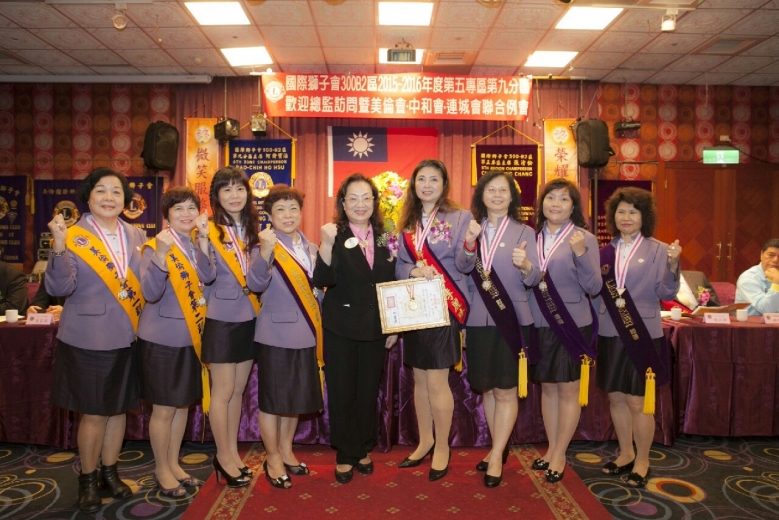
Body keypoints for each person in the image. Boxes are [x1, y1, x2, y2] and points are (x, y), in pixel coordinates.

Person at [45, 167, 146, 513]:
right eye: (101, 190)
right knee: (93, 413)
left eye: (116, 191)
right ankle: (87, 479)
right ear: (88, 197)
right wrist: (59, 245)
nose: (109, 197)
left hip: (128, 335)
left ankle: (110, 472)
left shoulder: (137, 235)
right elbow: (60, 287)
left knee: (118, 409)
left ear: (125, 200)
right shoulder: (73, 235)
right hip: (88, 337)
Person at [395, 159, 478, 482]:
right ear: (413, 184)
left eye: (434, 179)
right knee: (418, 379)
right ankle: (425, 441)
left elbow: (465, 265)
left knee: (436, 381)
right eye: (421, 179)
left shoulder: (460, 217)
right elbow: (398, 265)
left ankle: (442, 445)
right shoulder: (406, 220)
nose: (427, 185)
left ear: (444, 185)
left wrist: (469, 244)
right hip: (416, 307)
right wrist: (414, 269)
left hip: (446, 306)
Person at [314, 173, 398, 484]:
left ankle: (363, 447)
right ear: (343, 203)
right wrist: (325, 244)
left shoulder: (386, 236)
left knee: (367, 391)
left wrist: (394, 326)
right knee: (342, 391)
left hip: (376, 327)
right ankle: (346, 452)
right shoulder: (334, 234)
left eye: (366, 198)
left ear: (375, 202)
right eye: (353, 198)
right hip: (341, 327)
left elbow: (392, 281)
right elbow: (323, 279)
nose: (360, 204)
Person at [596, 187, 681, 489]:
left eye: (633, 211)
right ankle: (626, 453)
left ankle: (643, 460)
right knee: (616, 397)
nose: (627, 217)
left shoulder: (659, 250)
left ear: (645, 216)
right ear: (613, 216)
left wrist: (673, 265)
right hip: (609, 332)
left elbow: (666, 292)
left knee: (638, 400)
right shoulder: (604, 252)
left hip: (642, 333)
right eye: (621, 211)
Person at [465, 171, 541, 488]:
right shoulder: (472, 228)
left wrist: (526, 265)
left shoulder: (525, 232)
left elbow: (535, 278)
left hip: (513, 319)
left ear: (512, 197)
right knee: (488, 388)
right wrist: (469, 244)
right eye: (491, 190)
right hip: (478, 319)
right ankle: (498, 447)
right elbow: (462, 267)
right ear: (482, 195)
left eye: (503, 190)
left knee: (506, 389)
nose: (497, 195)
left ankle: (496, 455)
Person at [248, 184, 324, 490]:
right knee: (272, 401)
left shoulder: (312, 248)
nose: (288, 215)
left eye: (293, 208)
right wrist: (265, 252)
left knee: (294, 399)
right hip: (275, 334)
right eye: (280, 209)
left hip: (308, 333)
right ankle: (273, 458)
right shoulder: (262, 247)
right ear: (269, 215)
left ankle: (287, 450)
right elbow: (255, 284)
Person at [137, 186, 211, 497]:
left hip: (192, 338)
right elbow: (151, 293)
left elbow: (209, 277)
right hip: (162, 339)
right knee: (164, 409)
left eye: (191, 208)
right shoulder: (153, 247)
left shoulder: (196, 244)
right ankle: (161, 469)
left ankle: (173, 463)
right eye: (178, 208)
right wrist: (161, 256)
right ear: (166, 215)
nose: (186, 214)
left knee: (182, 406)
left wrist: (205, 240)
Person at [528, 178, 602, 484]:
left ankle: (559, 453)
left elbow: (594, 286)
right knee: (548, 388)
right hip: (539, 322)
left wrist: (581, 254)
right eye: (550, 198)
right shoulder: (530, 238)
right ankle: (551, 449)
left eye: (563, 199)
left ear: (573, 207)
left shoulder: (584, 238)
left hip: (572, 324)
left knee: (568, 389)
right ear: (541, 203)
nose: (555, 204)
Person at [200, 167, 259, 488]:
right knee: (222, 393)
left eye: (239, 189)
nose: (234, 195)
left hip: (250, 317)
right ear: (216, 196)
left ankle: (232, 453)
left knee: (237, 391)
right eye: (227, 190)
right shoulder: (208, 230)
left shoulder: (252, 228)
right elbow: (205, 276)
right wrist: (200, 242)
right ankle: (222, 457)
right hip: (221, 318)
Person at [735, 238, 779, 315]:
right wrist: (777, 283)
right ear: (761, 255)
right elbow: (767, 310)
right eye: (771, 255)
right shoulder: (748, 278)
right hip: (751, 322)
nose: (776, 260)